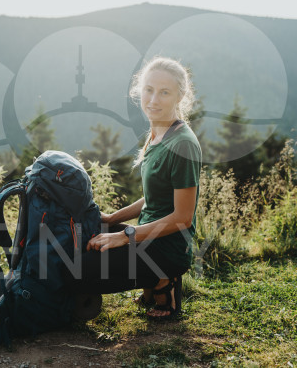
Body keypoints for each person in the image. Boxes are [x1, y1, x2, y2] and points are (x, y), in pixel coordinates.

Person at [67, 56, 201, 320]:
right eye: (149, 90)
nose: (153, 100)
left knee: (73, 270)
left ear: (179, 96)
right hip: (146, 236)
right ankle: (152, 280)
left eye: (164, 92)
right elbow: (154, 198)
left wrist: (122, 236)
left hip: (167, 248)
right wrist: (110, 220)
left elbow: (183, 218)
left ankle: (164, 282)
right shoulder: (157, 134)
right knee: (82, 238)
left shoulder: (183, 144)